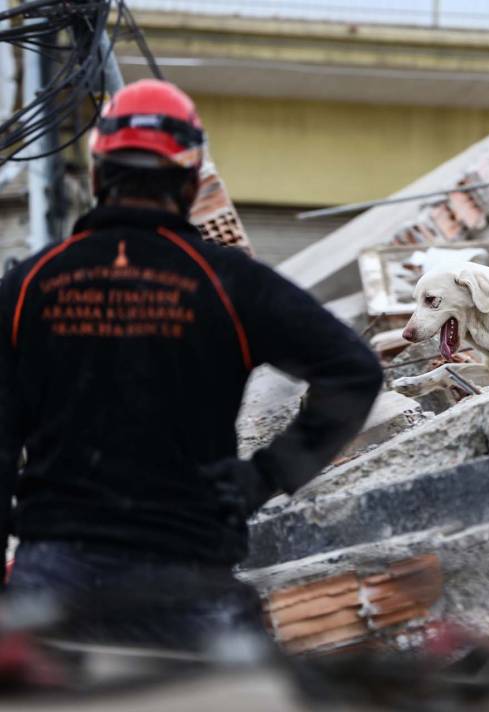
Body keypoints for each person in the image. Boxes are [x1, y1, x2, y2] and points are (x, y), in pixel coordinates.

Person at [0, 80, 384, 648]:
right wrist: (264, 478)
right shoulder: (229, 284)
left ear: (101, 173)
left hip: (52, 573)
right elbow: (355, 369)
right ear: (188, 180)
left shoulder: (29, 285)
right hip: (184, 573)